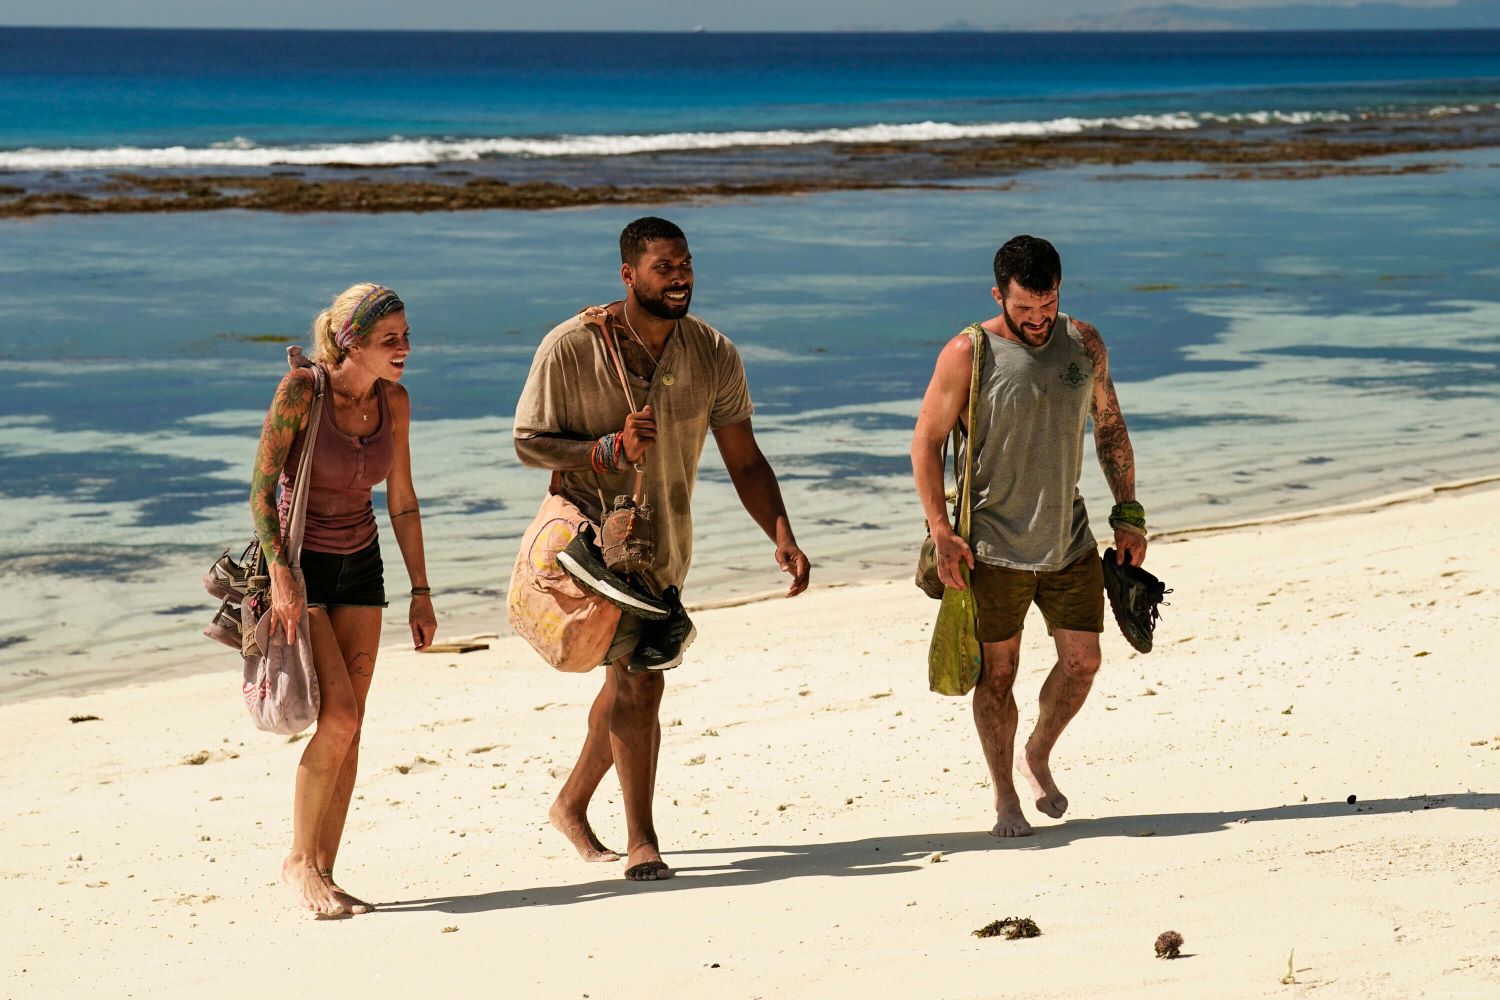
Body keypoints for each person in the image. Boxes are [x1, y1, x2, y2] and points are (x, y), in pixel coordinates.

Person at [514, 216, 811, 881]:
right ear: (628, 275)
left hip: (662, 548)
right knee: (639, 685)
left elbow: (745, 459)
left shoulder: (712, 353)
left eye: (685, 265)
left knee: (629, 679)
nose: (680, 278)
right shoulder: (570, 347)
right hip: (587, 550)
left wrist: (782, 534)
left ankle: (570, 804)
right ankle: (642, 840)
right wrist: (605, 450)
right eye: (663, 268)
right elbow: (528, 442)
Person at [910, 235, 1148, 838]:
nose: (1039, 321)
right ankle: (1005, 797)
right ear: (999, 296)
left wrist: (1129, 512)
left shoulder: (1084, 343)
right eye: (1025, 311)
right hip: (991, 547)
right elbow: (925, 443)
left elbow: (1110, 426)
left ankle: (1037, 752)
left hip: (1068, 538)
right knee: (999, 674)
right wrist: (941, 531)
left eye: (1048, 307)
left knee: (1084, 663)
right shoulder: (970, 352)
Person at [250, 283, 437, 915]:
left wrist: (422, 591)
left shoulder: (396, 402)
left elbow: (402, 500)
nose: (405, 348)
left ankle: (325, 871)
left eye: (407, 335)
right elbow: (262, 488)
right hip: (304, 569)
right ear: (349, 342)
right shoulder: (303, 391)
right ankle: (297, 862)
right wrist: (281, 575)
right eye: (391, 340)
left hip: (364, 569)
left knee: (353, 730)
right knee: (339, 719)